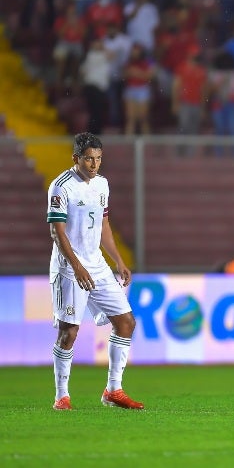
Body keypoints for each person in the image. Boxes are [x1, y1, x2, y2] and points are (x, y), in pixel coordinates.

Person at [47, 132, 143, 411]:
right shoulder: (61, 186)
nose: (94, 164)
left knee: (126, 322)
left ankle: (113, 390)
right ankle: (61, 397)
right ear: (76, 158)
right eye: (89, 158)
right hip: (69, 267)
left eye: (98, 159)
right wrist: (76, 266)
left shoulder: (102, 184)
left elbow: (103, 224)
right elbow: (57, 231)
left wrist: (118, 260)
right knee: (69, 331)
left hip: (97, 265)